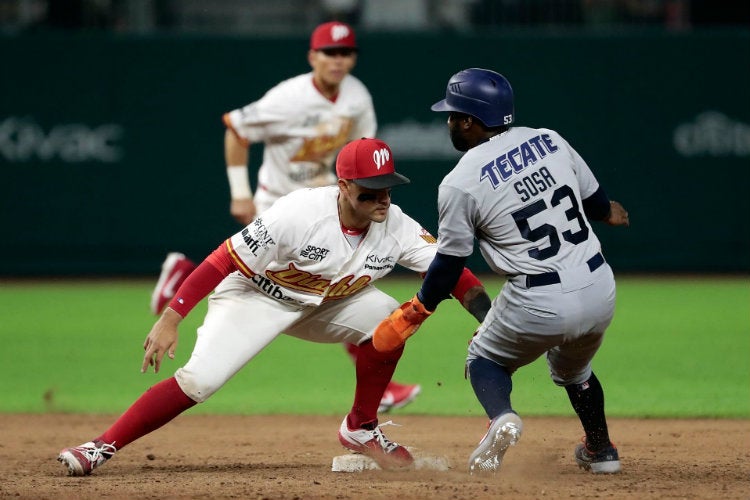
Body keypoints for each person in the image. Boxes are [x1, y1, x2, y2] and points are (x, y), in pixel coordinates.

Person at [57, 138, 492, 476]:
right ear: (343, 187)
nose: (382, 199)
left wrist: (488, 320)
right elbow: (222, 259)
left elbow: (452, 272)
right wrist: (173, 316)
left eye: (388, 189)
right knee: (199, 382)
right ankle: (100, 447)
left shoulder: (394, 225)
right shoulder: (298, 213)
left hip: (328, 304)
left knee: (389, 320)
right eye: (370, 191)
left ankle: (360, 427)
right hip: (254, 299)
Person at [149, 20, 421, 412]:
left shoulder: (357, 96)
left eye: (346, 53)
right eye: (329, 52)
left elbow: (362, 152)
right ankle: (183, 280)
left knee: (331, 282)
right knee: (291, 282)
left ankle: (180, 274)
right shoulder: (287, 98)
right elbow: (235, 129)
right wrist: (240, 191)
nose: (338, 60)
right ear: (313, 56)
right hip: (280, 203)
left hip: (329, 202)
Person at [372, 68, 630, 474]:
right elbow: (597, 204)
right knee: (574, 370)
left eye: (454, 114)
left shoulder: (460, 182)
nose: (449, 122)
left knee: (484, 357)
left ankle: (502, 417)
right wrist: (609, 213)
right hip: (600, 286)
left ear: (470, 122)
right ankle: (601, 452)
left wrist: (419, 307)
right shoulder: (550, 140)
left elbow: (451, 262)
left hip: (539, 298)